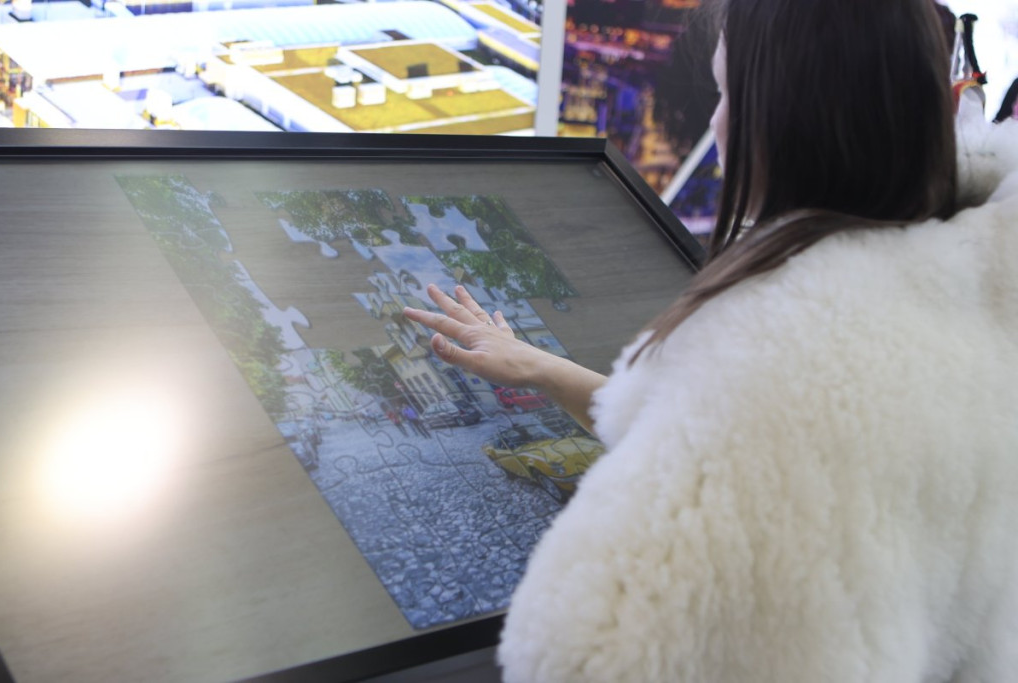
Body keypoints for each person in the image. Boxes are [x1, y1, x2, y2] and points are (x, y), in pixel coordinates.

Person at [404, 0, 1018, 680]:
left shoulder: (771, 365)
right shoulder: (970, 284)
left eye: (728, 92)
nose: (716, 119)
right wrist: (543, 368)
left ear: (777, 118)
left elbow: (595, 654)